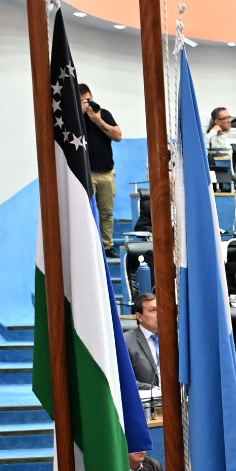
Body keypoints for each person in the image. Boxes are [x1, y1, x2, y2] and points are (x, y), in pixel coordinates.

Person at [79, 84, 123, 254]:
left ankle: (107, 246)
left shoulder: (103, 114)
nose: (88, 104)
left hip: (106, 173)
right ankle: (88, 247)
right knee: (86, 212)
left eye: (89, 100)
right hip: (86, 173)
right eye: (83, 102)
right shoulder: (74, 118)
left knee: (106, 213)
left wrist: (97, 120)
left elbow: (118, 136)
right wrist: (79, 114)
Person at [127, 292, 160, 389]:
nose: (160, 314)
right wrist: (155, 389)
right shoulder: (126, 342)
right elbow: (127, 380)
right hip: (147, 401)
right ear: (139, 316)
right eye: (153, 310)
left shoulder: (176, 339)